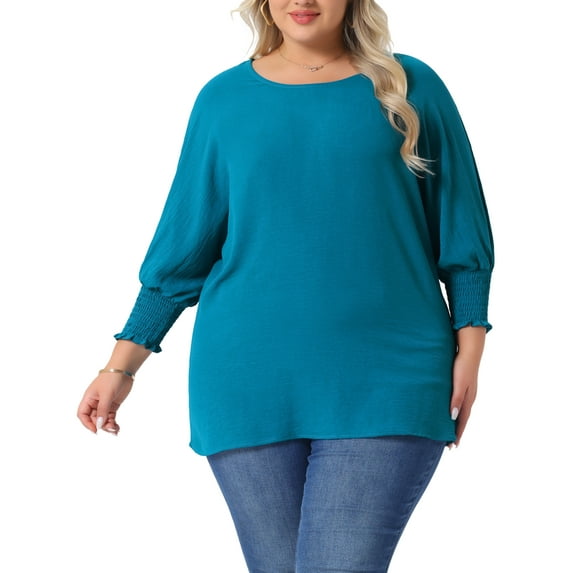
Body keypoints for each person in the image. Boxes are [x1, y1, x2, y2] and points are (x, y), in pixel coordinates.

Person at [77, 0, 494, 571]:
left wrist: (471, 346)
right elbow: (184, 247)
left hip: (390, 373)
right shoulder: (223, 99)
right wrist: (120, 367)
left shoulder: (408, 86)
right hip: (248, 378)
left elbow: (461, 224)